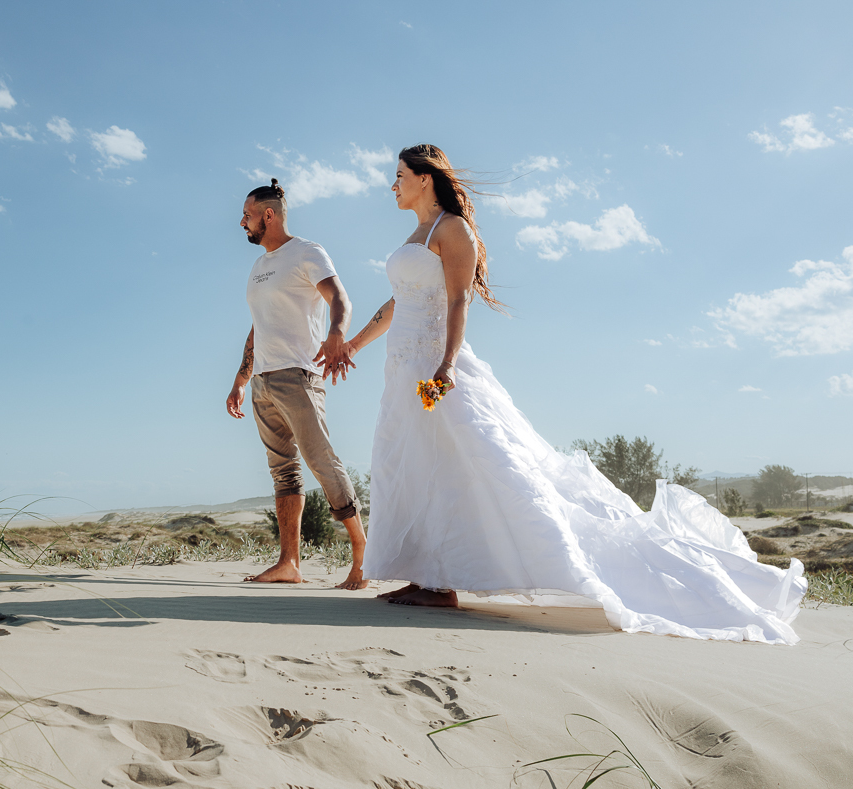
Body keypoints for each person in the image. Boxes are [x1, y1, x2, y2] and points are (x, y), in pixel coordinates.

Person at [336, 144, 805, 644]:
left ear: (425, 180)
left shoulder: (452, 229)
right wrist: (353, 345)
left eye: (401, 175)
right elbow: (398, 301)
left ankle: (443, 583)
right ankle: (424, 573)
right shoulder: (415, 233)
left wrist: (446, 364)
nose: (394, 185)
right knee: (410, 461)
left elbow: (458, 300)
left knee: (460, 465)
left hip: (434, 368)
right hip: (401, 369)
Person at [226, 179, 368, 590]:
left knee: (322, 462)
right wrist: (241, 376)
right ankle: (289, 563)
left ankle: (363, 551)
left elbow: (340, 297)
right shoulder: (257, 268)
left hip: (299, 375)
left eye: (248, 216)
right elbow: (258, 326)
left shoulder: (307, 251)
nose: (242, 223)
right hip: (264, 382)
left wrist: (337, 334)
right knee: (283, 473)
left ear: (268, 215)